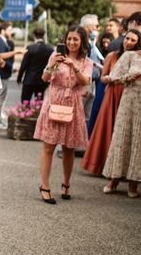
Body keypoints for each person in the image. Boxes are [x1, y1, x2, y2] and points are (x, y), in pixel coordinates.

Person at [34, 25, 93, 204]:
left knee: (69, 148)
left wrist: (73, 66)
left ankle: (66, 184)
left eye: (75, 39)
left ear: (82, 41)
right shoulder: (55, 55)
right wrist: (53, 65)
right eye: (69, 39)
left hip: (73, 105)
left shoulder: (86, 61)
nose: (71, 42)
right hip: (54, 102)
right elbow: (45, 78)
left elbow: (85, 82)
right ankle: (45, 186)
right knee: (49, 147)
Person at [82, 30, 141, 176]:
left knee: (124, 133)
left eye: (133, 40)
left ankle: (121, 170)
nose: (128, 42)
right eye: (127, 38)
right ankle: (100, 165)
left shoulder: (137, 58)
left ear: (138, 43)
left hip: (130, 97)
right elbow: (101, 78)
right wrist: (108, 78)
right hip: (113, 94)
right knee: (107, 128)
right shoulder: (112, 55)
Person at [101, 46, 141, 198]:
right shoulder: (130, 55)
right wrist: (128, 78)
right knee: (121, 138)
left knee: (138, 142)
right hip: (129, 102)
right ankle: (113, 180)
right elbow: (113, 77)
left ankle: (133, 184)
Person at [17, 27, 54, 103]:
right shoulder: (50, 49)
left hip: (29, 80)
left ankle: (26, 115)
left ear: (34, 36)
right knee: (39, 104)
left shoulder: (30, 48)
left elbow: (23, 65)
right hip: (42, 81)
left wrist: (19, 78)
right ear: (43, 36)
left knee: (25, 102)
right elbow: (52, 65)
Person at [0, 22, 15, 129]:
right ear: (3, 31)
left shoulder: (2, 41)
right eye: (9, 30)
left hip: (3, 73)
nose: (11, 32)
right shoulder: (0, 42)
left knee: (1, 97)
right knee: (0, 98)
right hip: (1, 74)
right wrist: (7, 66)